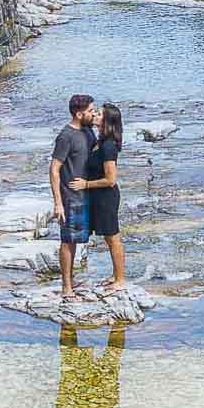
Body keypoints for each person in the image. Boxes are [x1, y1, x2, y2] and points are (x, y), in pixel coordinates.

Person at [71, 102, 125, 292]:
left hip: (106, 197)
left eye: (99, 114)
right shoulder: (99, 141)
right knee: (108, 237)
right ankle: (115, 276)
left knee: (112, 237)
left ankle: (120, 280)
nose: (95, 115)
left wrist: (85, 184)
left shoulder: (108, 146)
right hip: (97, 196)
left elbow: (110, 180)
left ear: (108, 121)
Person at [50, 93, 96, 299]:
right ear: (79, 113)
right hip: (70, 197)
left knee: (78, 239)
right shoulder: (65, 136)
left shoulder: (88, 131)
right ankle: (66, 286)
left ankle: (72, 280)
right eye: (90, 111)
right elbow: (54, 169)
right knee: (68, 241)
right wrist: (58, 203)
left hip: (87, 194)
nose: (93, 114)